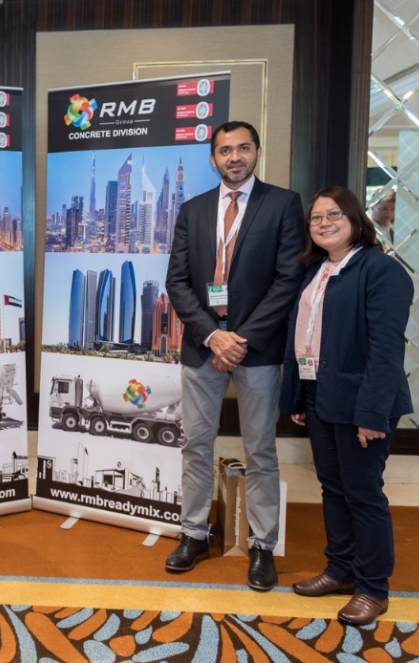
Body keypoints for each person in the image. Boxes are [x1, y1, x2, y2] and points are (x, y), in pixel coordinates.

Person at [164, 121, 305, 591]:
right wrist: (213, 336)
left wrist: (240, 338)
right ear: (213, 159)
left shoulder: (283, 204)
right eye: (225, 150)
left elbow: (288, 279)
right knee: (195, 445)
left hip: (256, 348)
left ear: (257, 152)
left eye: (243, 148)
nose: (235, 157)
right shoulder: (193, 209)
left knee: (260, 449)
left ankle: (262, 544)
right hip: (202, 345)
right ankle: (193, 533)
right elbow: (177, 281)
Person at [281, 185, 413, 625]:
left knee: (363, 493)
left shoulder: (382, 271)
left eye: (334, 214)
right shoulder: (316, 271)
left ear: (357, 219)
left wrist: (372, 414)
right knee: (332, 488)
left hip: (363, 402)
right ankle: (340, 569)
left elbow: (386, 352)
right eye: (316, 217)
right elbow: (305, 338)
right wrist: (300, 396)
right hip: (320, 395)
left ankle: (372, 586)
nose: (324, 223)